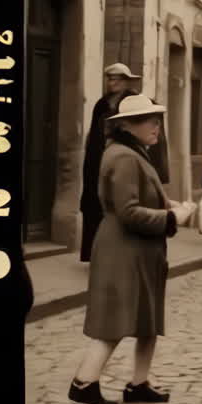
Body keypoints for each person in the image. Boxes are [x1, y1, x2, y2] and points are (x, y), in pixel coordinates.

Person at [68, 94, 194, 404]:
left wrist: (170, 205)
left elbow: (143, 196)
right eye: (149, 121)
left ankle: (139, 384)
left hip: (141, 250)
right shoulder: (123, 156)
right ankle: (84, 382)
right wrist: (171, 217)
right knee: (115, 320)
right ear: (127, 126)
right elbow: (128, 211)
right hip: (123, 249)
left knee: (147, 319)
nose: (156, 127)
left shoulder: (134, 152)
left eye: (157, 120)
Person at [80, 63, 141, 262]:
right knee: (95, 207)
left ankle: (120, 255)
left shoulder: (133, 102)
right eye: (110, 78)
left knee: (121, 205)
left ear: (125, 81)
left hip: (122, 159)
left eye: (117, 79)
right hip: (98, 161)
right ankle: (96, 254)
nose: (112, 82)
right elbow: (93, 135)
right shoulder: (101, 104)